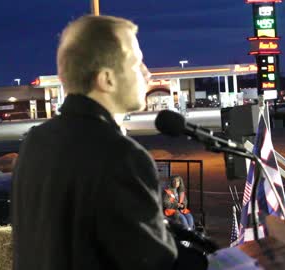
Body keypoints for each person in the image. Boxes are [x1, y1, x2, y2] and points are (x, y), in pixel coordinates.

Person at [11, 15, 177, 270]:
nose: (148, 73)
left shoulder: (36, 141)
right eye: (136, 62)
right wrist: (239, 261)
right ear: (106, 79)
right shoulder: (121, 156)